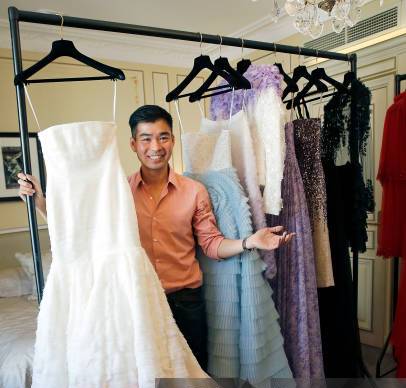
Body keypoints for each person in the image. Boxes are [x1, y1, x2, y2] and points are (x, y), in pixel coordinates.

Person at [18, 105, 294, 370]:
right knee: (149, 381)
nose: (155, 147)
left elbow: (211, 243)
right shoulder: (117, 192)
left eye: (163, 137)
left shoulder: (194, 191)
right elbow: (80, 229)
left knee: (192, 382)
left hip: (187, 302)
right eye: (146, 138)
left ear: (173, 140)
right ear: (133, 144)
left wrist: (250, 242)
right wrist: (39, 200)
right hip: (139, 302)